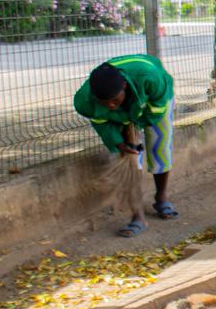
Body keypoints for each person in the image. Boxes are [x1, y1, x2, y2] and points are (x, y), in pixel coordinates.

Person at [73, 54, 178, 237]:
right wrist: (119, 142)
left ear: (124, 87)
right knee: (130, 159)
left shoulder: (150, 77)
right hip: (122, 115)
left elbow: (157, 109)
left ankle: (161, 197)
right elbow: (101, 122)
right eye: (105, 103)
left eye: (115, 100)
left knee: (159, 144)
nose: (111, 106)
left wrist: (136, 123)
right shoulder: (85, 101)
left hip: (153, 102)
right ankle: (138, 216)